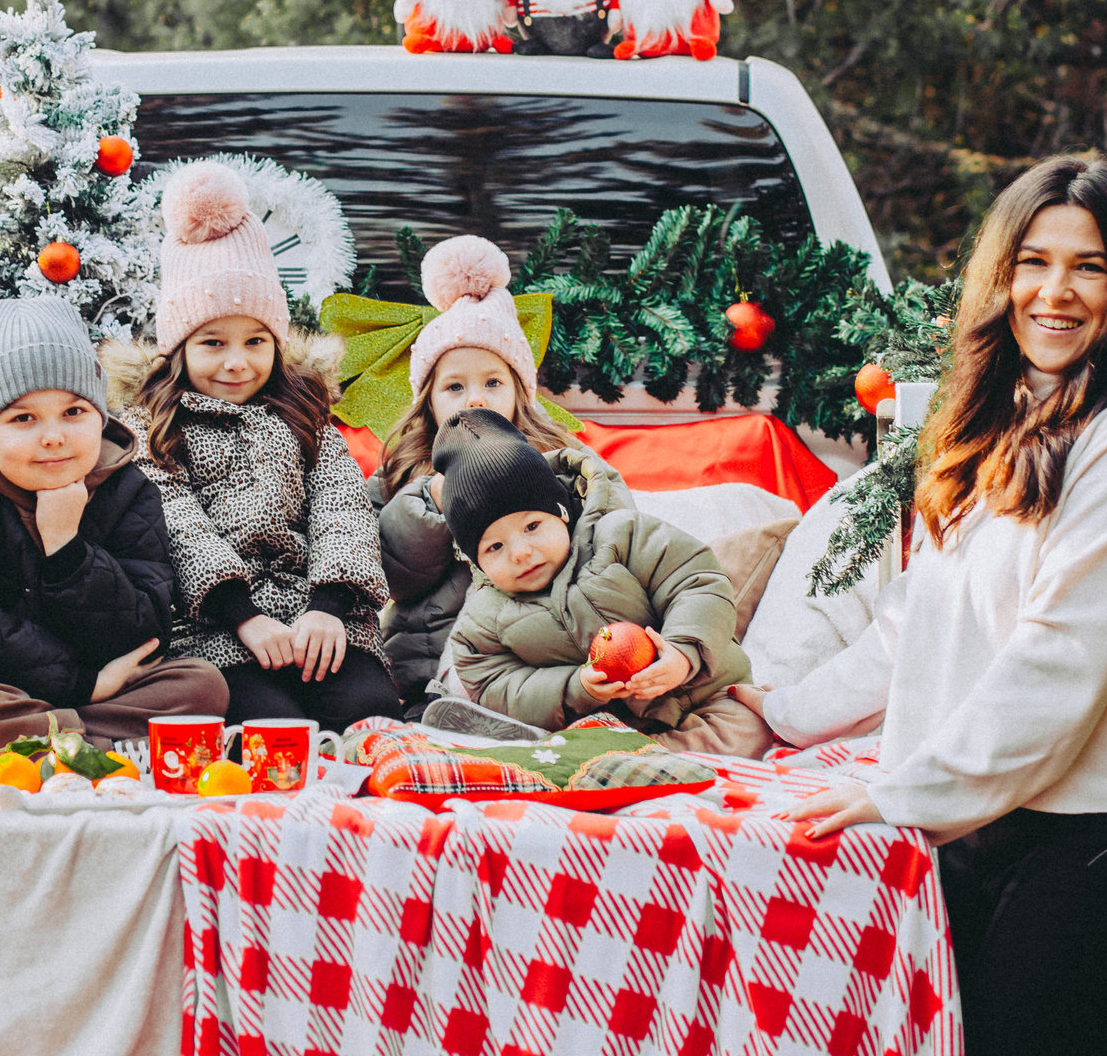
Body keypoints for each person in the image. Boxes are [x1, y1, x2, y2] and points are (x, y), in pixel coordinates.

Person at [752, 154, 1107, 1056]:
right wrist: (775, 714)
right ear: (999, 276)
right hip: (999, 816)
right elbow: (922, 618)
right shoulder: (1007, 421)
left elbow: (1059, 662)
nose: (1054, 293)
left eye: (1087, 267)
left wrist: (901, 793)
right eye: (1033, 262)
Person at [0, 296, 227, 761]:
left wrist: (67, 549)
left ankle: (8, 749)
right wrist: (80, 684)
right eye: (23, 418)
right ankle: (76, 745)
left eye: (74, 412)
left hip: (83, 689)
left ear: (100, 416)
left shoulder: (129, 491)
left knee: (201, 685)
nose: (53, 435)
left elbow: (144, 630)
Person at [131, 162, 400, 729]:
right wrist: (243, 617)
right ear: (178, 347)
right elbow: (177, 524)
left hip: (318, 613)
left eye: (256, 340)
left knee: (364, 709)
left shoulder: (304, 416)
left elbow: (342, 509)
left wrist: (327, 610)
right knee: (268, 725)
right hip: (214, 622)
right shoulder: (154, 426)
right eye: (212, 343)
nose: (238, 361)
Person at [371, 235, 630, 714]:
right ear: (428, 400)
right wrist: (431, 501)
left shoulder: (556, 458)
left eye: (492, 382)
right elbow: (386, 572)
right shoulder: (404, 472)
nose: (475, 398)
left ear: (519, 391)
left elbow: (613, 529)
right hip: (432, 663)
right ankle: (455, 716)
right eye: (454, 386)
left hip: (542, 648)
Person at [444, 414, 773, 754]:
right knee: (563, 740)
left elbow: (696, 583)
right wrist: (576, 687)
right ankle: (617, 757)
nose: (521, 553)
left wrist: (682, 653)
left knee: (749, 729)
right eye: (495, 547)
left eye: (532, 527)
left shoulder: (620, 536)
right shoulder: (485, 616)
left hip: (702, 694)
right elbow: (492, 681)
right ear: (475, 560)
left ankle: (638, 760)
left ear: (562, 512)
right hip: (606, 724)